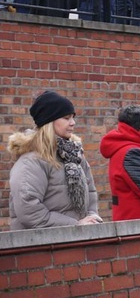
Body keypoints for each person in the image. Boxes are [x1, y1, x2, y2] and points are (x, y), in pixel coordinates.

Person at [8, 91, 100, 230]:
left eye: (73, 117)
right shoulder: (31, 161)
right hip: (42, 246)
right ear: (49, 122)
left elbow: (91, 193)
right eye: (66, 118)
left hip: (75, 242)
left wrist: (92, 218)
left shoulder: (75, 156)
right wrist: (75, 225)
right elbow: (29, 210)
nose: (72, 123)